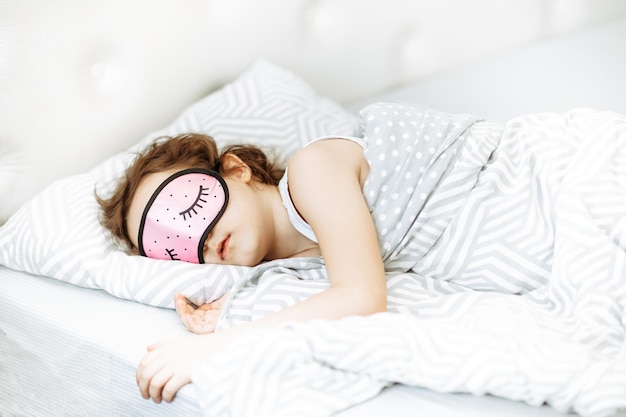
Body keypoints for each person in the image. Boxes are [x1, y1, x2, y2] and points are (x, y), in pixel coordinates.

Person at [97, 128, 389, 404]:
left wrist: (217, 347)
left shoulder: (313, 170)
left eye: (195, 206)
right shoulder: (296, 266)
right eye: (178, 248)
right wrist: (235, 306)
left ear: (237, 169)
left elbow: (362, 295)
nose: (203, 239)